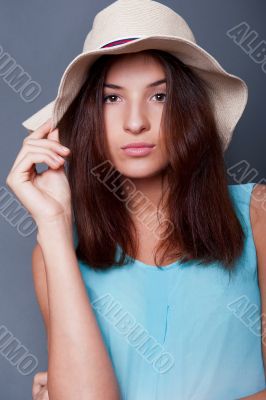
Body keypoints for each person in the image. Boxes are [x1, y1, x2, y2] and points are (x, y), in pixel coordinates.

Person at [6, 1, 266, 399]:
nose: (134, 122)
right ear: (89, 115)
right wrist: (54, 225)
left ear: (191, 109)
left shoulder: (257, 214)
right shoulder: (55, 254)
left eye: (159, 96)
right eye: (112, 98)